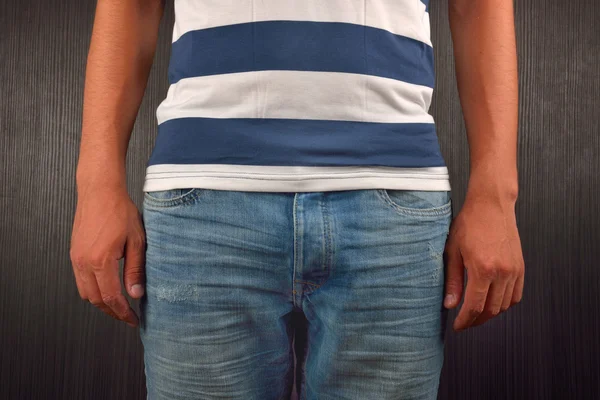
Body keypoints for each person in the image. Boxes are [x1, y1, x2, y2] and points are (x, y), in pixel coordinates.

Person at [70, 0, 525, 398]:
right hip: (204, 204)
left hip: (392, 204)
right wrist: (96, 187)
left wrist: (496, 198)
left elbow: (479, 5)